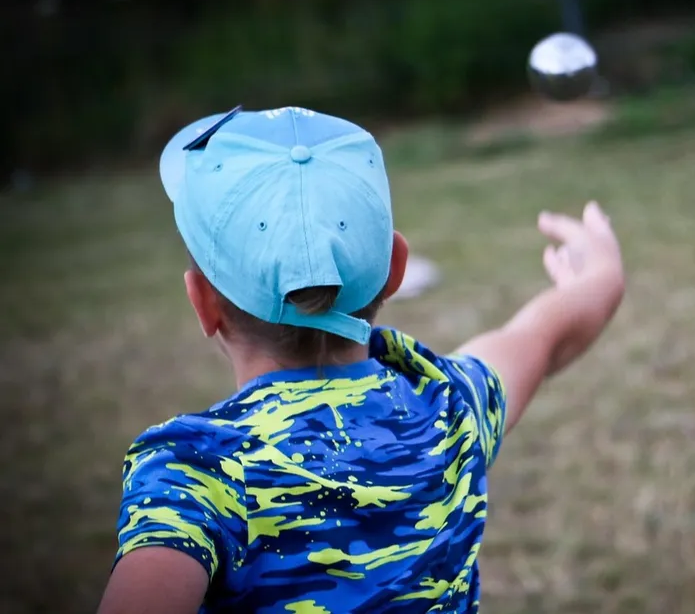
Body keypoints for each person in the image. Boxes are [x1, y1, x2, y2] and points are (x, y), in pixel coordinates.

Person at [96, 106, 625, 614]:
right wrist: (601, 269)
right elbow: (543, 336)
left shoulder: (192, 475)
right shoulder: (449, 408)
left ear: (203, 302)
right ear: (395, 269)